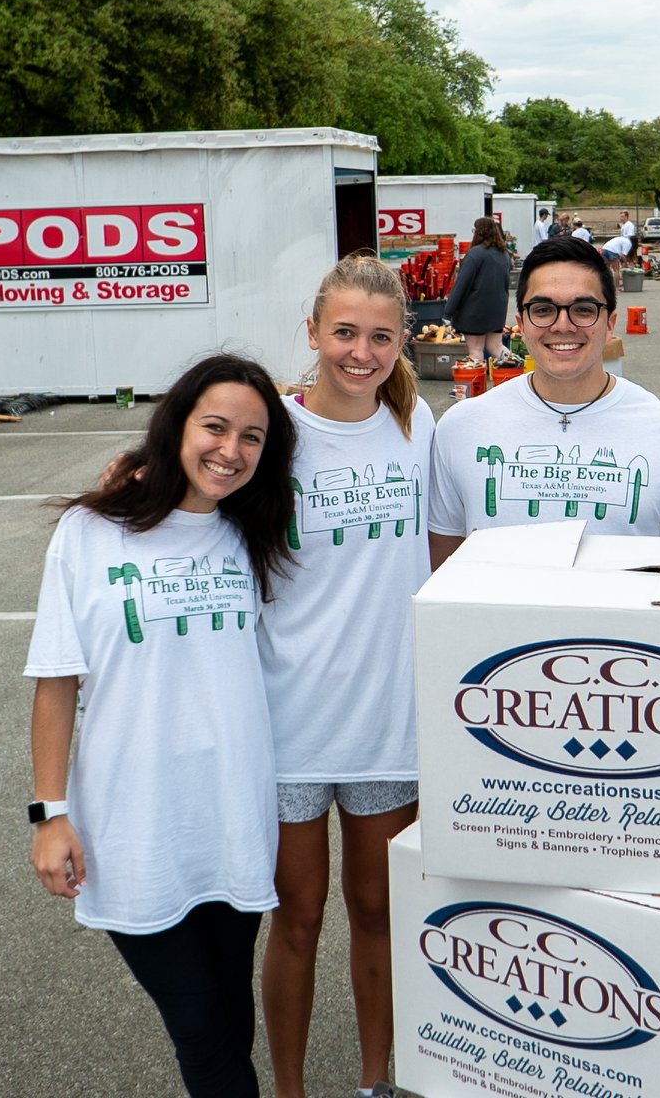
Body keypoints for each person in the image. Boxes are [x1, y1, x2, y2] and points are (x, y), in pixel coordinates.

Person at [27, 353, 298, 1097]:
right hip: (135, 828)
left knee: (229, 1017)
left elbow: (343, 402)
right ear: (175, 425)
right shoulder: (90, 532)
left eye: (252, 437)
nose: (231, 450)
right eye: (214, 426)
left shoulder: (254, 531)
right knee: (203, 1032)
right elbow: (56, 680)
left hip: (234, 821)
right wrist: (49, 816)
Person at [260, 255, 435, 1098]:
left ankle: (375, 1084)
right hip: (288, 724)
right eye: (344, 333)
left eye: (379, 335)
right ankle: (288, 1091)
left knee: (378, 912)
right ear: (313, 333)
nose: (360, 352)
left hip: (386, 724)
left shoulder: (417, 424)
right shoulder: (273, 436)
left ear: (403, 338)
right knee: (295, 920)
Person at [428, 237, 660, 566]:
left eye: (583, 310)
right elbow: (444, 564)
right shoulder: (462, 428)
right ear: (520, 325)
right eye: (543, 310)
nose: (562, 326)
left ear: (610, 323)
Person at [443, 217, 516, 366]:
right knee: (496, 347)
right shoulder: (504, 255)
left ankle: (476, 387)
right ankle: (515, 367)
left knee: (476, 350)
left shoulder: (475, 254)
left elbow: (461, 285)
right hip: (497, 311)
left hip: (475, 312)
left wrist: (447, 313)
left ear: (478, 232)